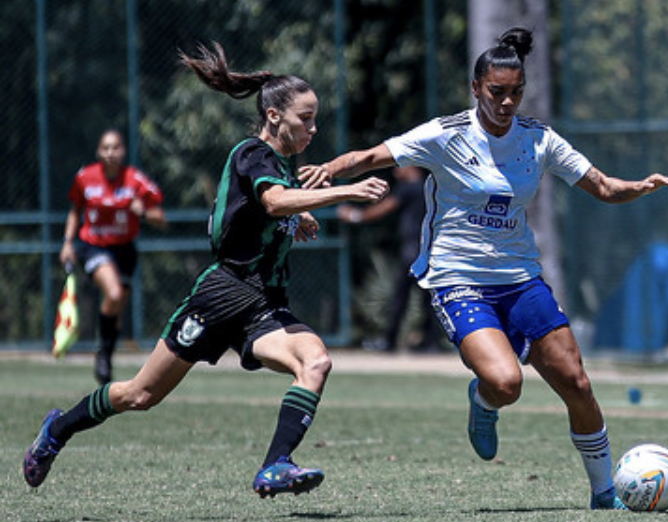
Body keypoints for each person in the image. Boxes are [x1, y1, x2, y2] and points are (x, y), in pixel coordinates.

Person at [300, 28, 668, 509]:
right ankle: (482, 404)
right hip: (458, 278)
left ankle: (605, 492)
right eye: (497, 92)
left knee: (576, 382)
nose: (506, 102)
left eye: (516, 93)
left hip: (520, 279)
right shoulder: (445, 134)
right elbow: (372, 156)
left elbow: (603, 186)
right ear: (476, 88)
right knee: (506, 384)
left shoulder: (538, 139)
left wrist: (641, 186)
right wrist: (328, 172)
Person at [24, 42, 389, 498]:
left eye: (315, 118)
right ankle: (57, 429)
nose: (314, 128)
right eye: (305, 118)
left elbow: (272, 207)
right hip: (221, 296)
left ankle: (276, 465)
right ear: (274, 116)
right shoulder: (252, 153)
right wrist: (342, 193)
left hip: (264, 305)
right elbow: (273, 200)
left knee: (315, 360)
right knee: (141, 395)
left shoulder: (280, 165)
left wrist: (300, 216)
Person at [60, 129, 166, 385]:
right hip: (93, 246)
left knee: (116, 309)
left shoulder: (135, 181)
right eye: (106, 147)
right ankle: (104, 355)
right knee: (115, 294)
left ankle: (105, 353)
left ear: (123, 151)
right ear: (98, 151)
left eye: (116, 147)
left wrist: (142, 212)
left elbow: (160, 219)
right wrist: (67, 242)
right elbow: (76, 210)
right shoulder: (86, 178)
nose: (111, 152)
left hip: (125, 251)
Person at [337, 165, 442, 352]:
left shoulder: (408, 187)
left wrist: (356, 216)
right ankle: (431, 343)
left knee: (400, 296)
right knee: (428, 299)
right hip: (429, 249)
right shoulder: (428, 187)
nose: (395, 172)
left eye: (399, 167)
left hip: (412, 249)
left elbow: (385, 207)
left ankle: (389, 341)